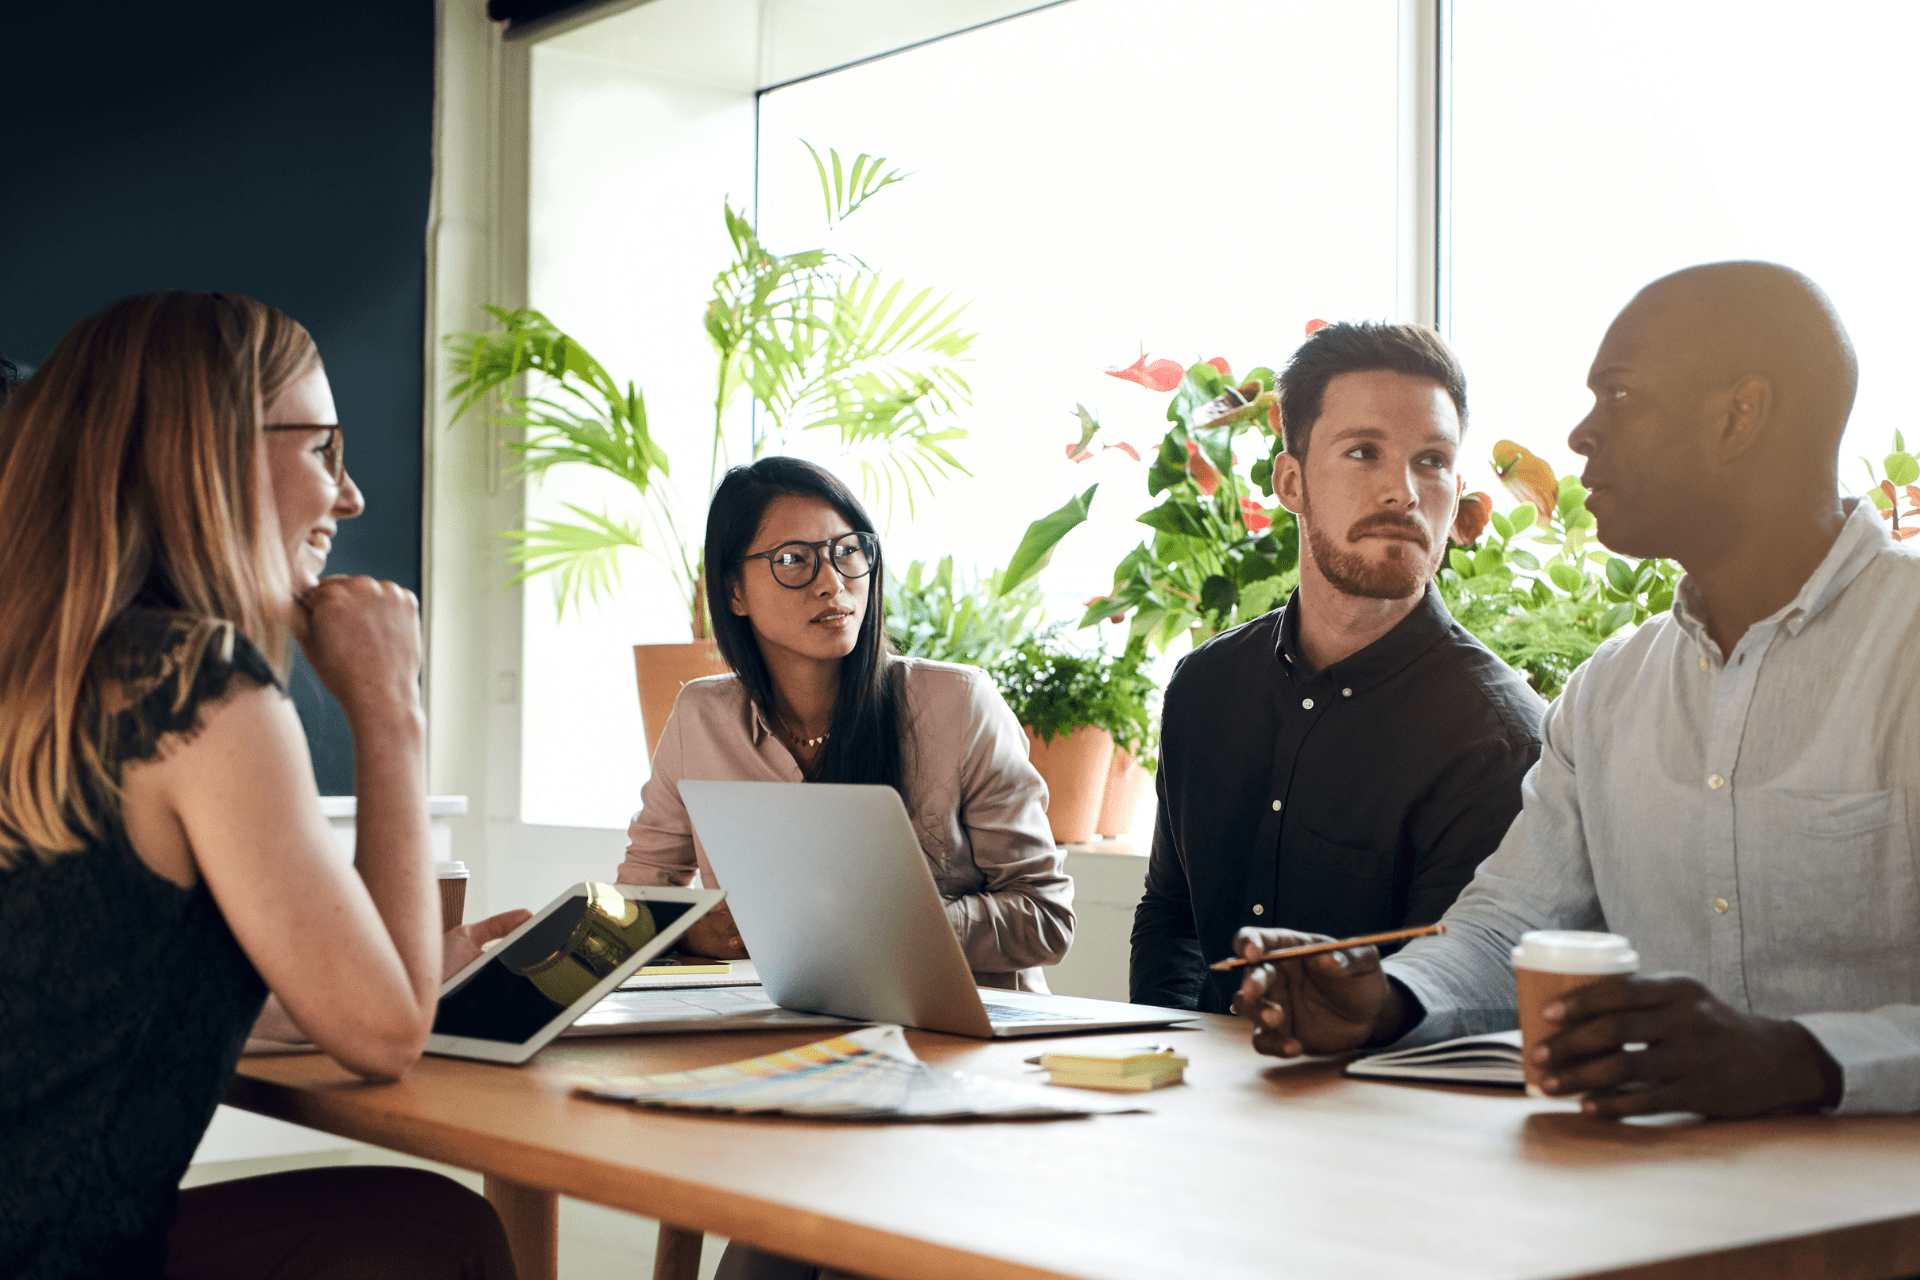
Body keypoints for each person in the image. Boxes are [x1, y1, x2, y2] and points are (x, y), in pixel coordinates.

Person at [1234, 261, 1920, 1119]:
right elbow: (1505, 927)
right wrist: (1383, 999)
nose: (1582, 435)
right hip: (1658, 1207)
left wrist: (1806, 1058)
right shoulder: (1611, 691)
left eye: (1620, 396)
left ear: (1739, 415)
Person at [0, 291, 518, 1278]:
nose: (352, 494)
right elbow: (385, 1035)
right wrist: (388, 704)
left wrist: (346, 965)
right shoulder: (193, 684)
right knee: (440, 1241)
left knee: (435, 1229)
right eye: (323, 446)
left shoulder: (43, 680)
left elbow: (86, 997)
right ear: (209, 447)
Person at [1130, 323, 1545, 1014]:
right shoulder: (1205, 687)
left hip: (1376, 1104)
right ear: (1291, 481)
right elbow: (1173, 917)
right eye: (1363, 452)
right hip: (1197, 1097)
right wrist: (1173, 1055)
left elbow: (1454, 986)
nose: (1403, 492)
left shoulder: (1500, 737)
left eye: (1432, 461)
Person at [617, 455, 1073, 991]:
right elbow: (634, 905)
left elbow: (1046, 918)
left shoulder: (958, 704)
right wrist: (692, 933)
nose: (832, 583)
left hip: (958, 1033)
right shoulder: (702, 718)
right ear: (734, 591)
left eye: (847, 551)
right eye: (792, 559)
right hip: (784, 1027)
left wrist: (882, 927)